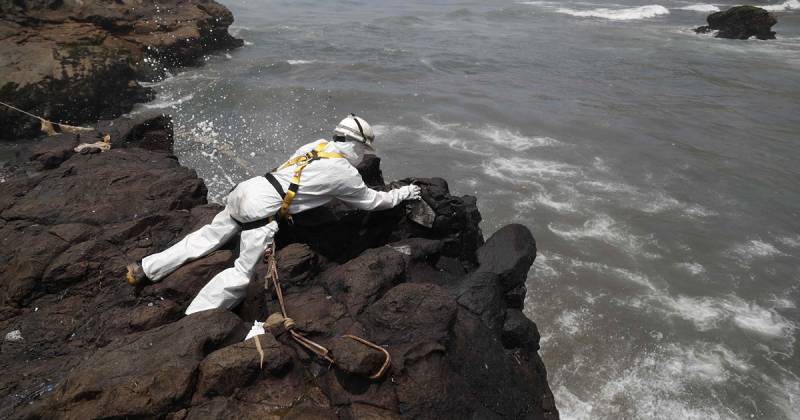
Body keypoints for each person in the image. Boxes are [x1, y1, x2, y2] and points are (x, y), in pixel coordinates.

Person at [125, 114, 421, 315]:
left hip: (247, 190)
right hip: (261, 210)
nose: (364, 156)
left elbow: (293, 176)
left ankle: (145, 269)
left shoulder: (315, 146)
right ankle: (196, 317)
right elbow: (371, 202)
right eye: (364, 150)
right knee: (242, 274)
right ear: (356, 145)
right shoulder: (343, 172)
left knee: (204, 237)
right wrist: (404, 193)